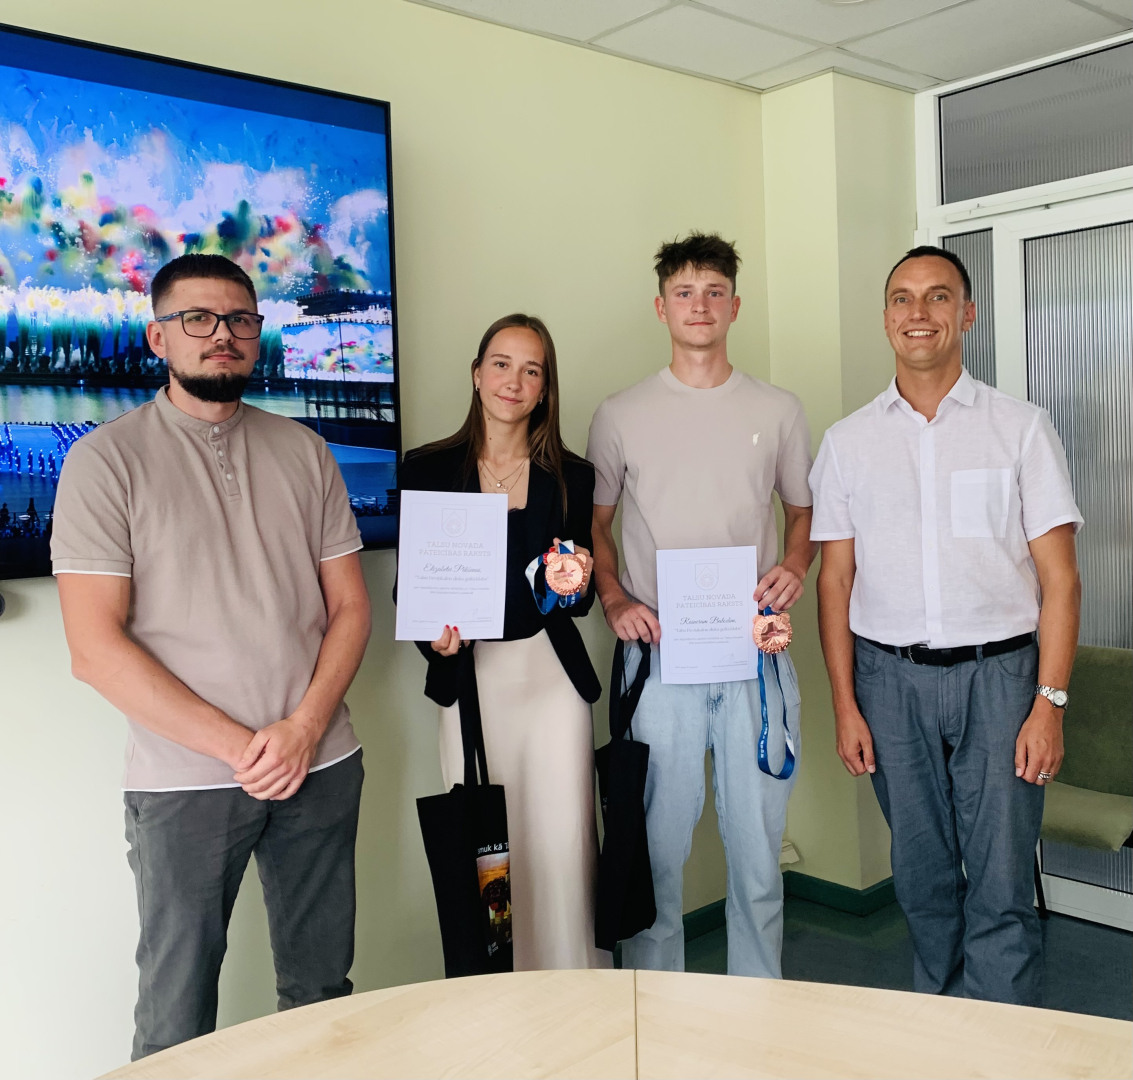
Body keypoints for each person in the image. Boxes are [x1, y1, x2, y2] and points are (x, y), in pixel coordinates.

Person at [51, 253, 372, 1058]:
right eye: (197, 318)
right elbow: (94, 649)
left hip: (321, 762)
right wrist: (244, 749)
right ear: (159, 337)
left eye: (239, 319)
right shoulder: (104, 460)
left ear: (257, 334)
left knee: (321, 995)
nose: (220, 334)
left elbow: (350, 608)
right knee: (176, 1015)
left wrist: (302, 731)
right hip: (185, 780)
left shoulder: (305, 450)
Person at [810, 245, 1082, 1005]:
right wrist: (845, 705)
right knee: (922, 873)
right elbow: (834, 581)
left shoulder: (1019, 428)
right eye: (902, 298)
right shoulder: (848, 443)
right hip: (887, 682)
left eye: (937, 297)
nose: (918, 312)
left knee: (1000, 878)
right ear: (885, 319)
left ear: (966, 314)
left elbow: (1061, 581)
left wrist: (1049, 705)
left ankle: (1000, 1032)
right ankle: (941, 1023)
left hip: (1001, 679)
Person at [587, 233, 817, 977]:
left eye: (714, 292)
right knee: (655, 854)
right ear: (661, 308)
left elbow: (802, 512)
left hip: (753, 654)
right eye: (684, 292)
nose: (699, 305)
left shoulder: (777, 409)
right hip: (658, 657)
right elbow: (595, 525)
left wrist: (794, 564)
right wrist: (614, 597)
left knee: (757, 854)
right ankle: (653, 1010)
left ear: (734, 306)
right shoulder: (620, 413)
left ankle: (757, 1005)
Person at [398, 313, 608, 971]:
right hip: (470, 684)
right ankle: (498, 990)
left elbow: (576, 598)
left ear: (545, 389)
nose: (513, 381)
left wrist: (574, 581)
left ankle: (572, 983)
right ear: (476, 374)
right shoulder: (427, 468)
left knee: (563, 840)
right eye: (501, 364)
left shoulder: (572, 476)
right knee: (487, 845)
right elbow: (412, 588)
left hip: (550, 680)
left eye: (531, 370)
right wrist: (433, 642)